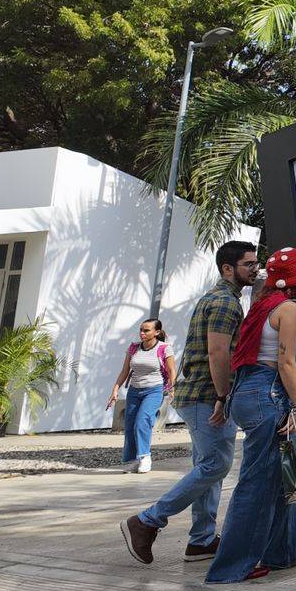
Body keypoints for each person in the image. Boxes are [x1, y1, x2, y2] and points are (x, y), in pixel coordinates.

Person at [121, 240, 256, 565]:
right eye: (249, 264)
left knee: (209, 467)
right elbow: (217, 352)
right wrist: (223, 397)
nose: (255, 269)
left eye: (256, 263)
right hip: (207, 396)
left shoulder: (218, 297)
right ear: (228, 268)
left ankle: (201, 540)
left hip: (200, 394)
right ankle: (147, 521)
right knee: (216, 465)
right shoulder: (225, 303)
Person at [205, 247, 296, 583]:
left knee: (289, 473)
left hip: (249, 391)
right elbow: (286, 362)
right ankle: (231, 567)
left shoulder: (262, 305)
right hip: (269, 393)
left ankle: (286, 549)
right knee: (257, 484)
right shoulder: (290, 308)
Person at [108, 318, 174, 473]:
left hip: (154, 390)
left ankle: (145, 457)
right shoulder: (134, 348)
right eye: (141, 330)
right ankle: (134, 461)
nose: (142, 333)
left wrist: (172, 388)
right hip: (134, 390)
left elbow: (172, 371)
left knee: (142, 421)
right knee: (130, 425)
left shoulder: (164, 348)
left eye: (146, 330)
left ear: (157, 332)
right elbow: (125, 371)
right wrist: (115, 389)